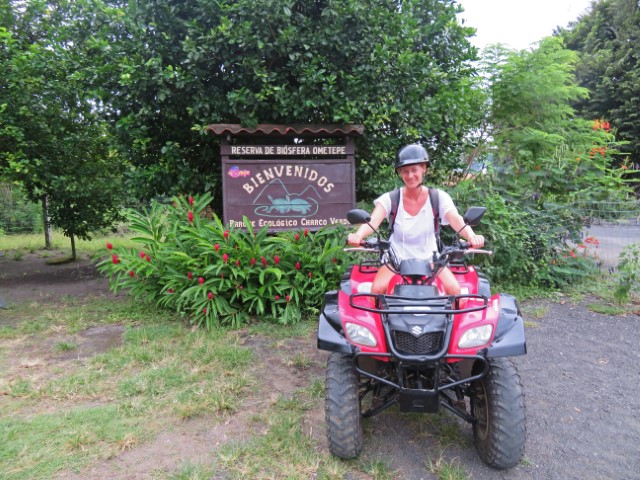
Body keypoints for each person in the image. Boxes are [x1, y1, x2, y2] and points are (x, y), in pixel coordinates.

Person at [347, 144, 485, 297]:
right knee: (376, 291)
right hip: (396, 261)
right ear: (400, 173)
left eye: (414, 170)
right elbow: (372, 222)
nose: (410, 175)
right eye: (405, 171)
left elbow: (456, 219)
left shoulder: (438, 198)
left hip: (431, 261)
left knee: (455, 291)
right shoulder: (391, 199)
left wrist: (472, 237)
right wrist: (358, 236)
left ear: (424, 168)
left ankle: (448, 321)